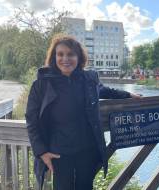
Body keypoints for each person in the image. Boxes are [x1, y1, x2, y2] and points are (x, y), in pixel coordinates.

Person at [25, 34, 140, 190]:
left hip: (87, 149)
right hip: (58, 152)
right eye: (60, 54)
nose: (65, 58)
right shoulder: (42, 83)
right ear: (54, 57)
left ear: (79, 57)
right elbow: (31, 121)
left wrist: (127, 95)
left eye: (71, 54)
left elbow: (104, 90)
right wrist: (42, 152)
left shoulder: (88, 79)